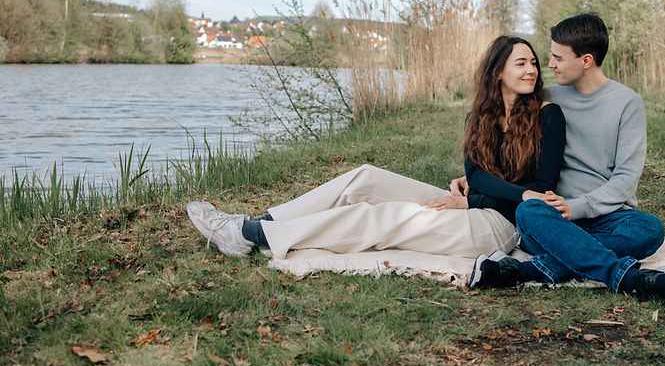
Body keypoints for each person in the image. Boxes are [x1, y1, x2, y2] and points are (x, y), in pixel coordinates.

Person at [186, 36, 565, 261]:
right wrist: (474, 193)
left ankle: (251, 235)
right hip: (472, 205)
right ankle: (265, 220)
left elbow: (539, 194)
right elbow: (476, 176)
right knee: (364, 178)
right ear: (497, 72)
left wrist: (477, 199)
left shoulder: (548, 115)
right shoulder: (478, 118)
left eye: (534, 63)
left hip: (502, 226)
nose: (532, 70)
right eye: (521, 63)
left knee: (387, 216)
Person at [465, 14, 665, 306]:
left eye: (558, 58)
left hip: (607, 215)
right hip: (550, 216)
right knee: (528, 211)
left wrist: (577, 207)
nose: (549, 65)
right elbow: (509, 141)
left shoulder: (627, 103)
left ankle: (525, 270)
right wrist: (474, 175)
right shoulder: (544, 97)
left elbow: (625, 179)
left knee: (650, 229)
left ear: (586, 60)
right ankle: (632, 280)